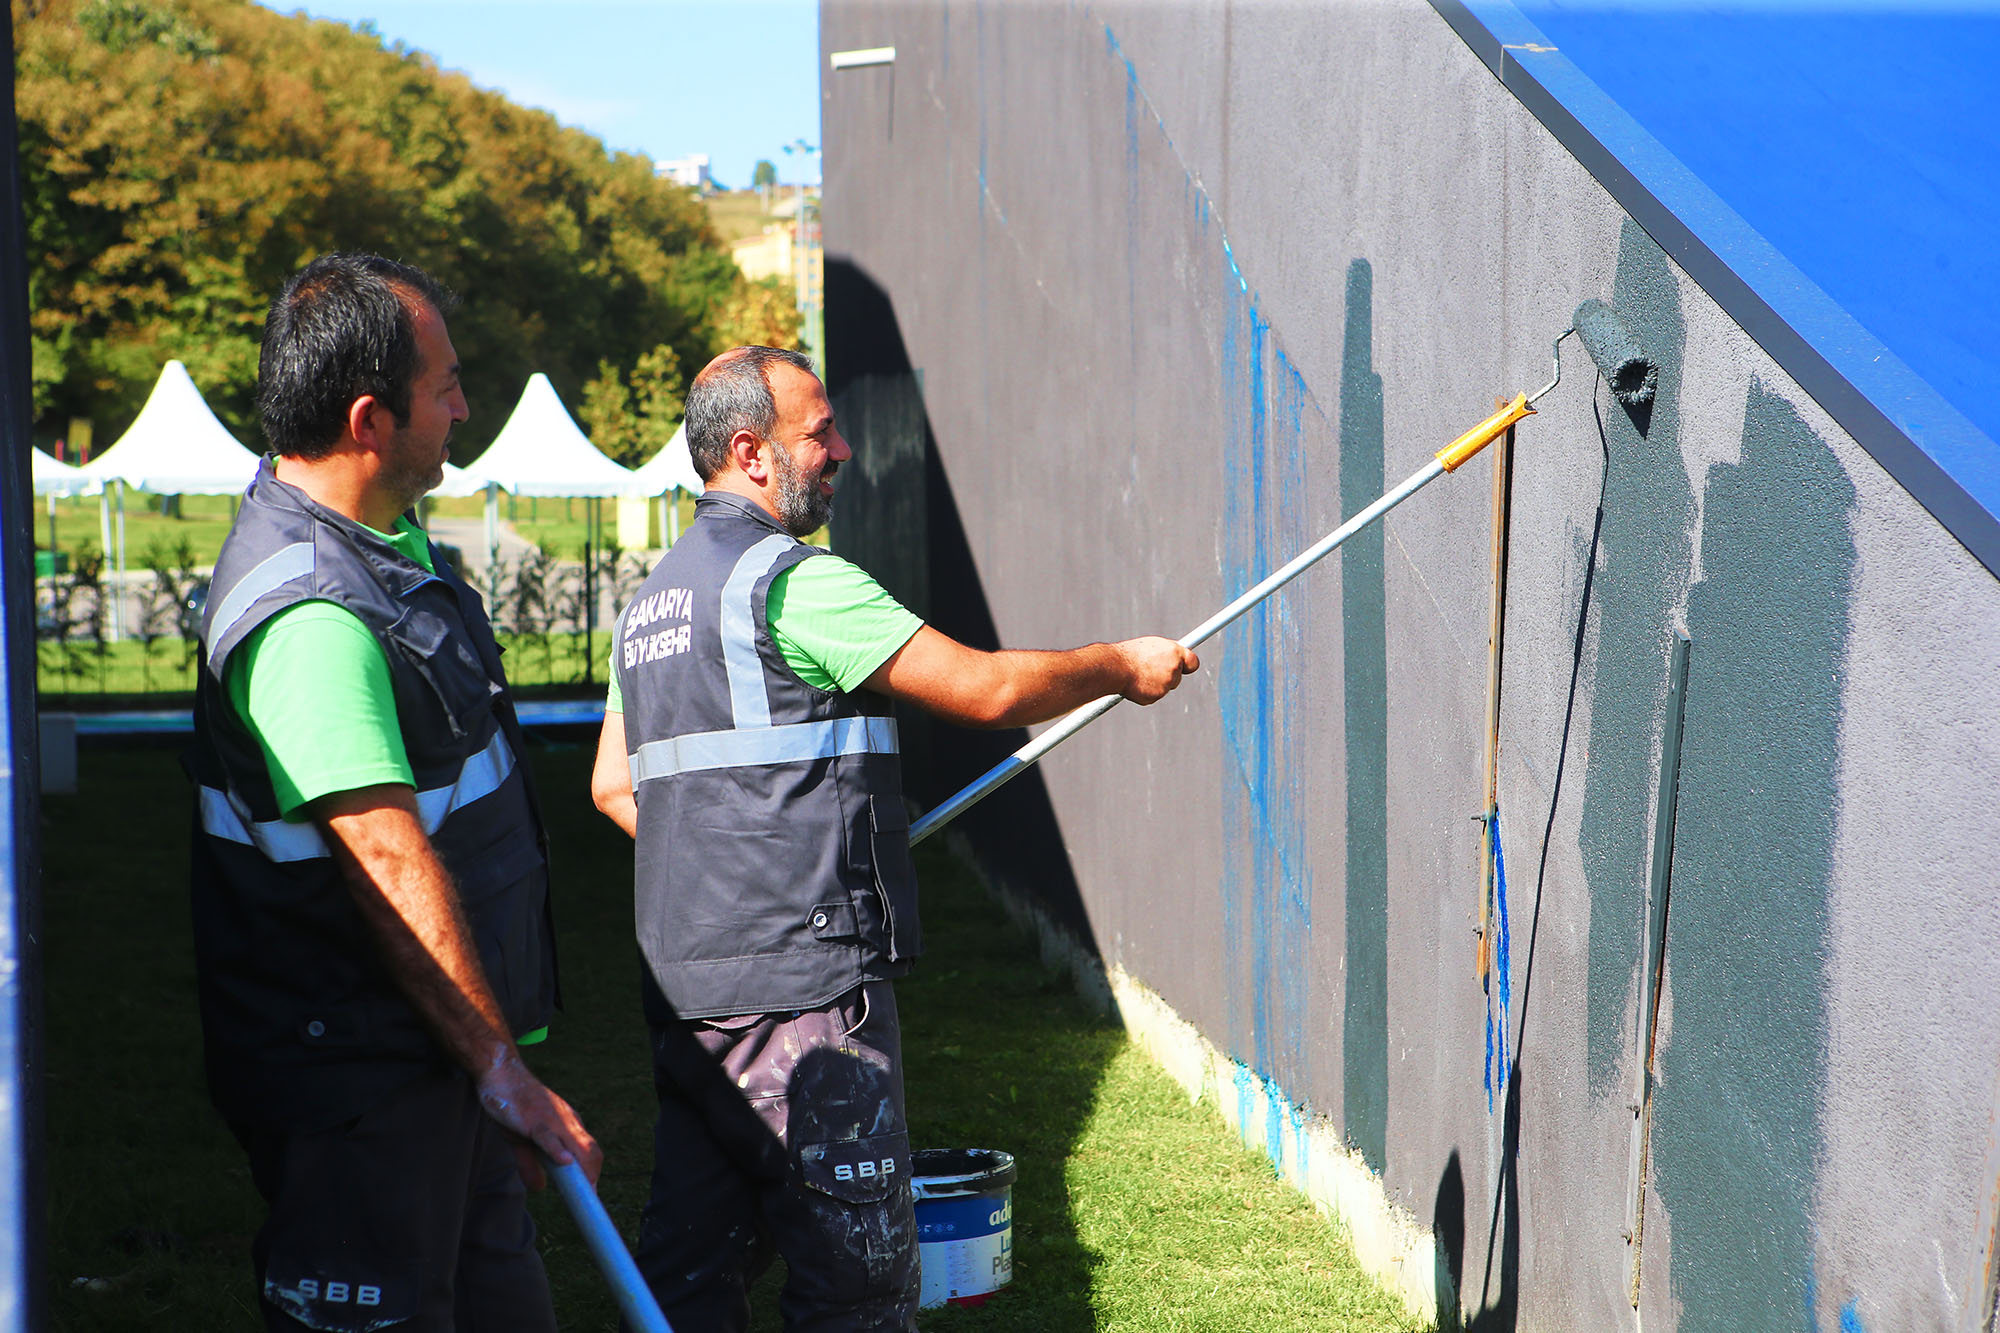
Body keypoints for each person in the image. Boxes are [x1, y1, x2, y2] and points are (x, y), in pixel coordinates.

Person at [590, 345, 1197, 1330]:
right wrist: (1119, 665)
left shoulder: (650, 605)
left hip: (692, 1001)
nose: (844, 450)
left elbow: (612, 783)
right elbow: (987, 689)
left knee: (688, 1286)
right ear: (749, 452)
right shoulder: (792, 583)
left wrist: (737, 865)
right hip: (807, 1004)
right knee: (856, 1294)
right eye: (818, 432)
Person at [187, 252, 600, 1332]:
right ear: (372, 419)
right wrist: (500, 1067)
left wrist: (483, 1064)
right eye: (448, 386)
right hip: (360, 1089)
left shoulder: (383, 548)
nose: (466, 406)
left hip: (436, 1060)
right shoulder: (312, 614)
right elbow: (383, 856)